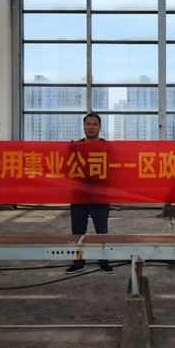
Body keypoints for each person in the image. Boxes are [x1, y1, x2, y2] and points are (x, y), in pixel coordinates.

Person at [65, 113, 113, 275]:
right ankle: (78, 262)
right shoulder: (76, 147)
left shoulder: (107, 147)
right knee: (77, 231)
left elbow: (112, 170)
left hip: (100, 196)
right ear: (84, 126)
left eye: (94, 124)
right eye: (88, 124)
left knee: (101, 231)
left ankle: (104, 262)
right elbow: (67, 169)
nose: (91, 127)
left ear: (100, 127)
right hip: (79, 196)